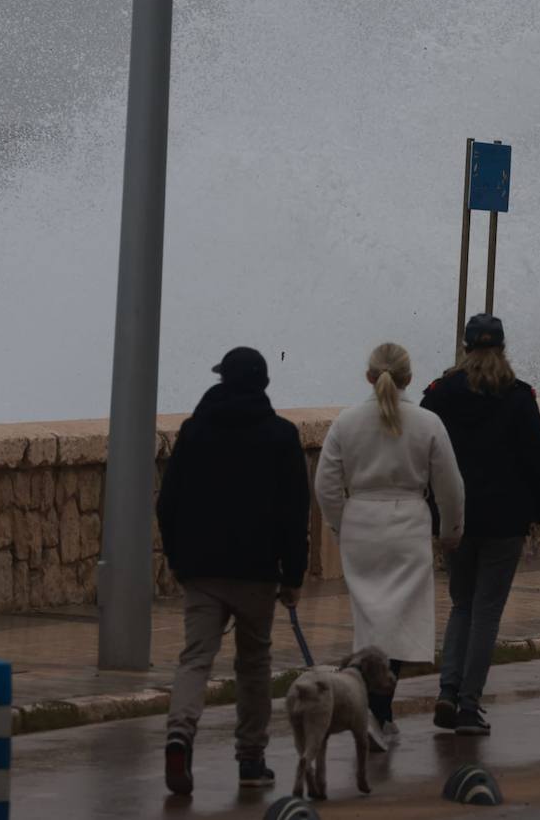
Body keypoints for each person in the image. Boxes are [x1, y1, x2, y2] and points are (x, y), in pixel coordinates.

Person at [156, 346, 311, 797]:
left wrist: (178, 558)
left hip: (202, 570)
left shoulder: (194, 431)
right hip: (257, 572)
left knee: (195, 658)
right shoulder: (282, 436)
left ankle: (179, 735)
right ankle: (251, 759)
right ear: (263, 384)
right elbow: (294, 513)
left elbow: (167, 503)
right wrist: (294, 576)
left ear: (223, 380)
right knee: (254, 665)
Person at [421, 314, 540, 736]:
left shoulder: (441, 393)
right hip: (505, 520)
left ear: (465, 347)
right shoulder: (518, 396)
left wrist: (428, 510)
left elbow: (421, 449)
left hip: (457, 519)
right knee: (486, 611)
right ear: (503, 348)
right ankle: (469, 704)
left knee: (462, 604)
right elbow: (537, 464)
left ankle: (447, 692)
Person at [314, 341, 464, 749]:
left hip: (361, 525)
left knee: (370, 620)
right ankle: (379, 709)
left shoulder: (346, 423)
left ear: (368, 376)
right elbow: (450, 486)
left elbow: (326, 484)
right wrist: (450, 530)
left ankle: (374, 710)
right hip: (408, 528)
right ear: (409, 379)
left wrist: (342, 524)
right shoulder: (428, 423)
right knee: (396, 622)